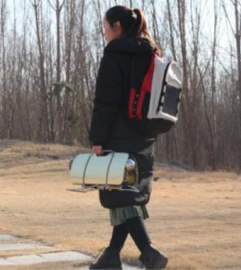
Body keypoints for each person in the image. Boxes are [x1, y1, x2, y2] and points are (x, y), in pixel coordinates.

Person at [89, 5, 168, 270]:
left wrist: (97, 139)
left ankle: (149, 253)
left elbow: (106, 102)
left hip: (119, 137)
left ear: (117, 27)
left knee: (122, 196)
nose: (104, 33)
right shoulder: (149, 51)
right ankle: (111, 256)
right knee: (126, 196)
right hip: (145, 136)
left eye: (105, 28)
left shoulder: (115, 54)